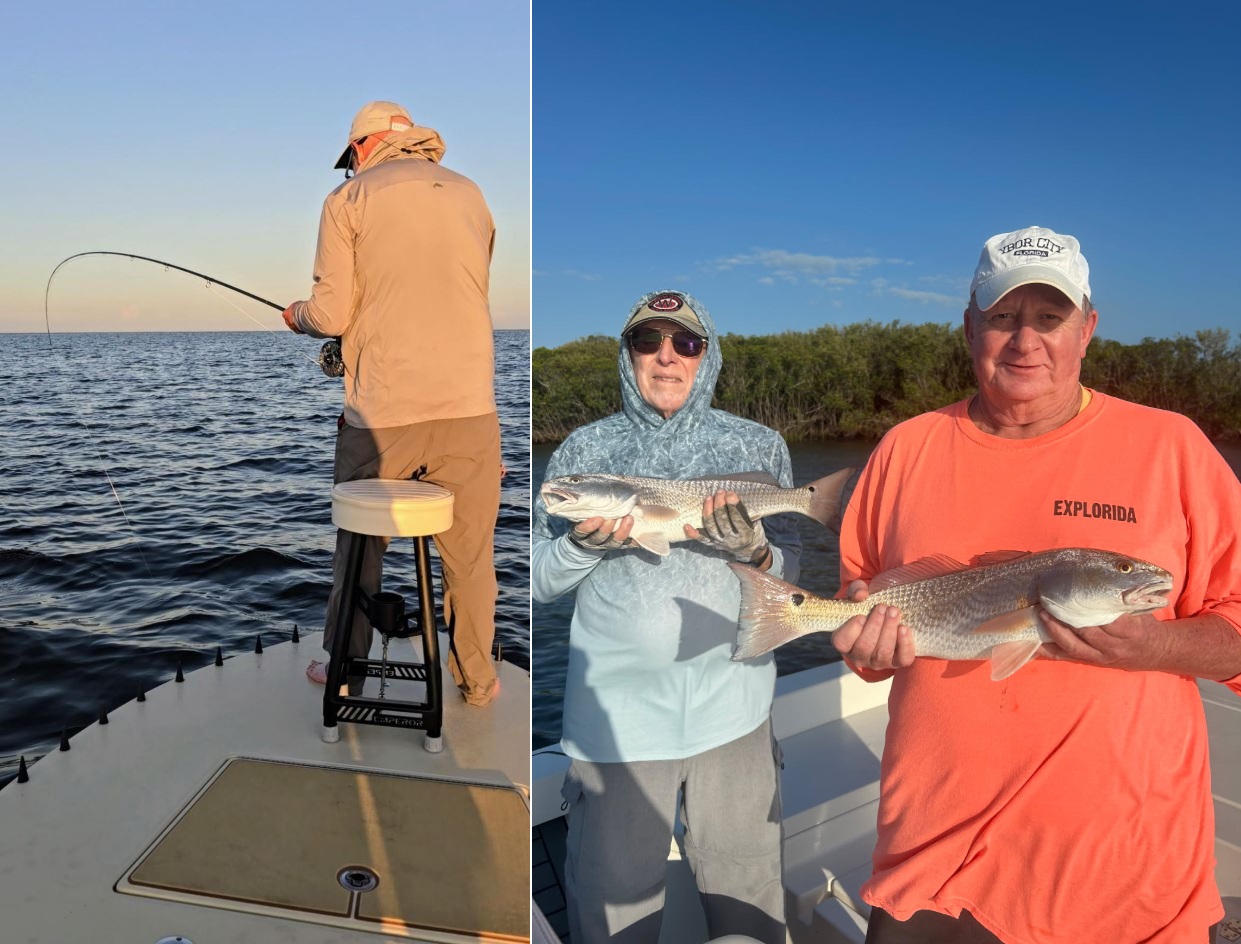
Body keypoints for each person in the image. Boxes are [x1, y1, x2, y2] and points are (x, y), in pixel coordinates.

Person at [833, 225, 1241, 943]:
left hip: (1128, 874)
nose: (1025, 340)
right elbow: (861, 628)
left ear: (1086, 329)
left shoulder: (1171, 446)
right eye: (1001, 317)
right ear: (968, 329)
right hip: (930, 863)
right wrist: (867, 645)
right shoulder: (903, 448)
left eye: (1048, 318)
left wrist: (1149, 647)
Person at [532, 290, 800, 944]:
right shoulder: (581, 452)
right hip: (618, 724)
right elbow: (537, 581)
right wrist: (578, 546)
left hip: (734, 710)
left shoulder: (758, 445)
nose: (665, 357)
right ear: (626, 357)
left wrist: (759, 551)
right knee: (611, 912)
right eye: (646, 341)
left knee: (749, 901)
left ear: (706, 356)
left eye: (685, 342)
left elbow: (785, 584)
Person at [283, 100, 501, 707]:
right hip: (473, 412)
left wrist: (295, 316)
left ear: (362, 146)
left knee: (359, 548)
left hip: (383, 416)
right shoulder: (471, 193)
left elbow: (330, 314)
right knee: (472, 559)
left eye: (349, 156)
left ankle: (346, 666)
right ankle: (478, 680)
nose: (349, 166)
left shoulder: (347, 201)